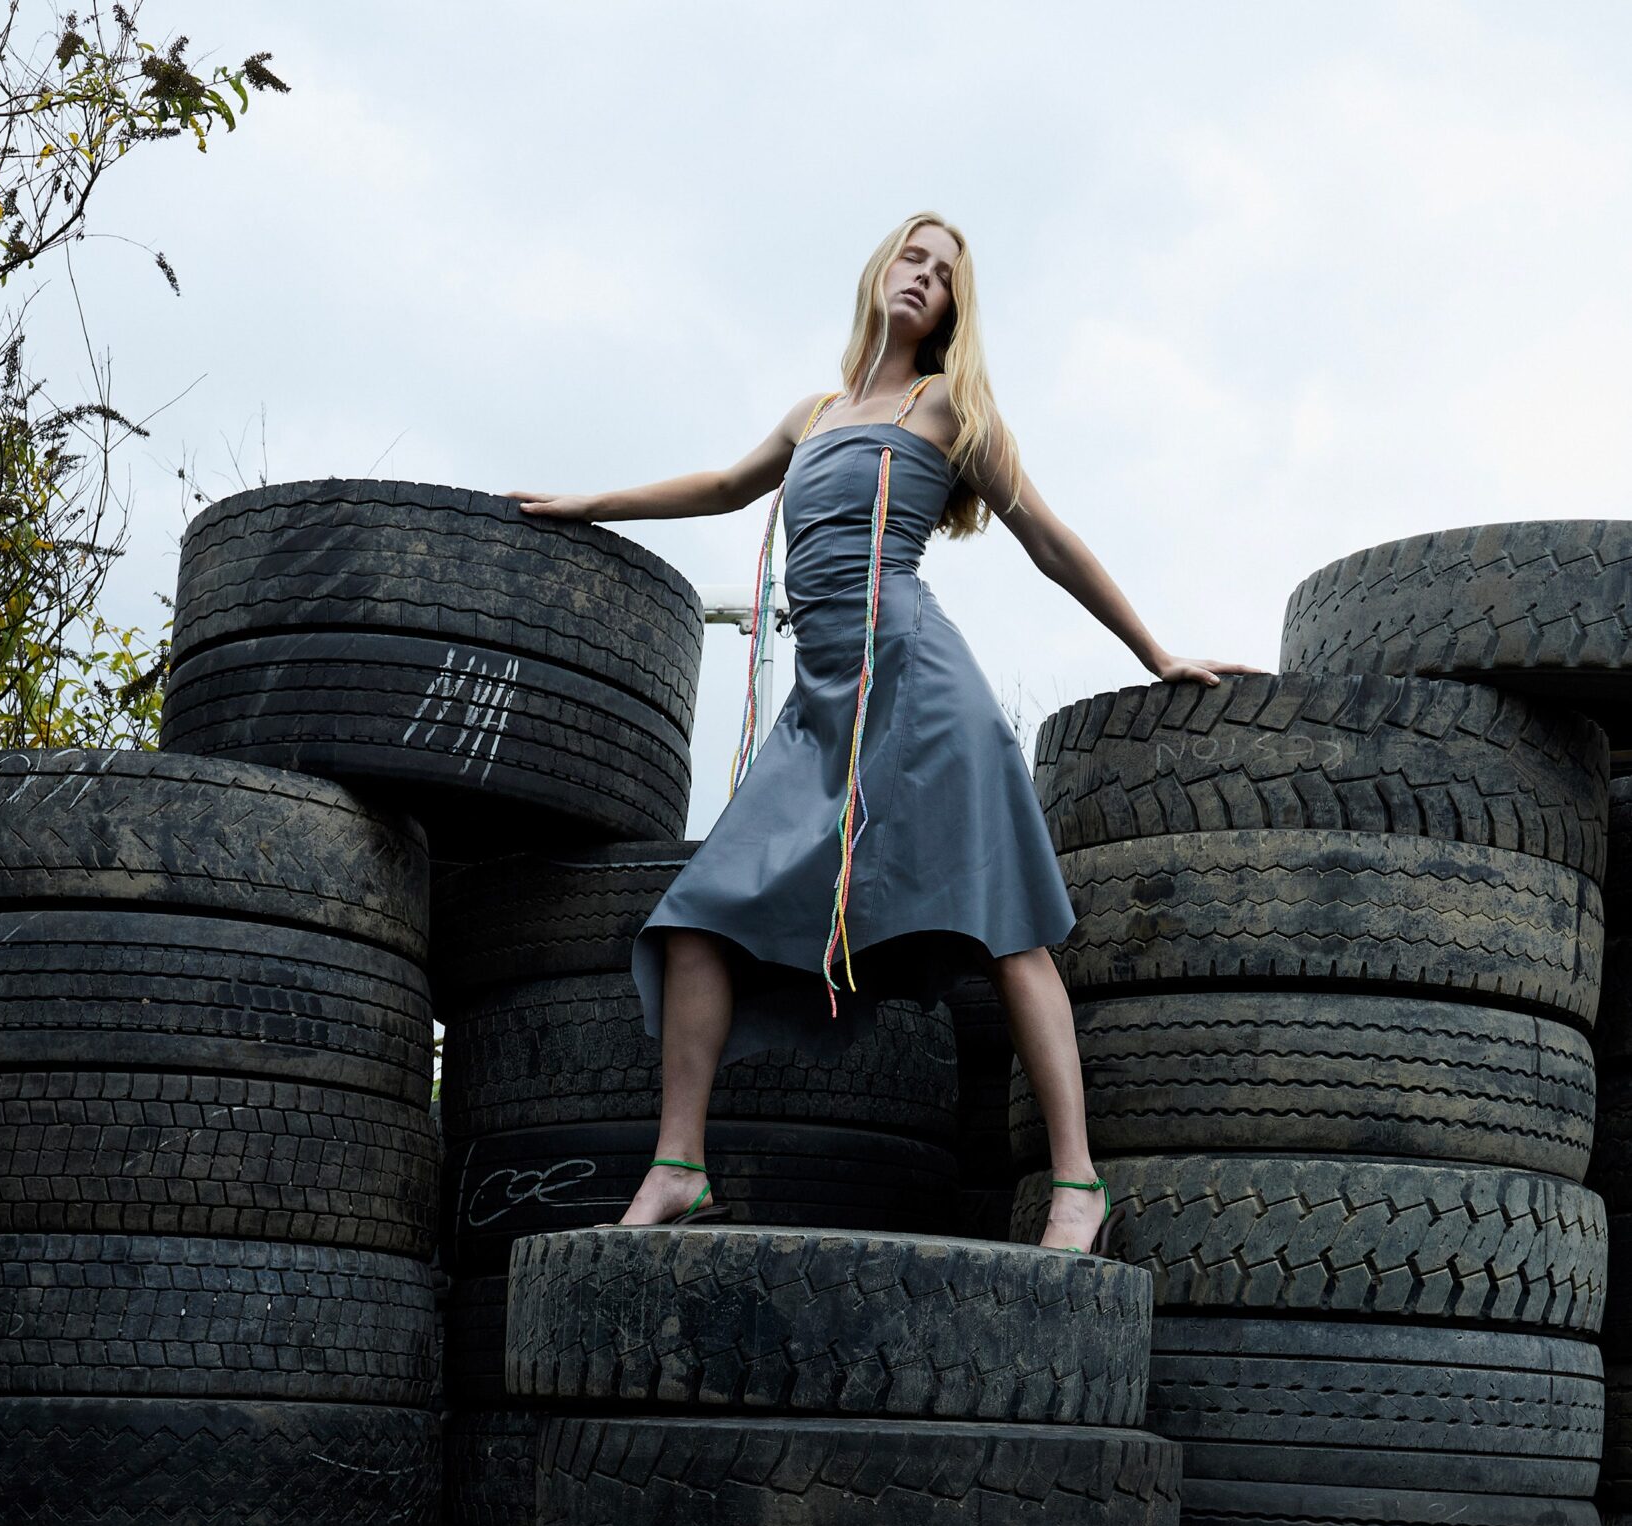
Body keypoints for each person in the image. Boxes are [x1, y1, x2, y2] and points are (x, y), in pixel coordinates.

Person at [514, 210, 1255, 1250]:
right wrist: (596, 501)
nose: (924, 278)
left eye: (945, 274)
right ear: (878, 271)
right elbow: (727, 486)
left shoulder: (948, 403)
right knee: (693, 921)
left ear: (955, 309)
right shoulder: (814, 413)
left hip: (918, 687)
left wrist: (1155, 651)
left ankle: (1077, 1184)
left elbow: (1046, 535)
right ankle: (678, 1168)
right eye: (913, 256)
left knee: (1006, 927)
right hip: (823, 708)